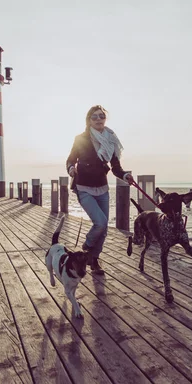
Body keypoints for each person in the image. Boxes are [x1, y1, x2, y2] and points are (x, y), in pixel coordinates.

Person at [66, 105, 134, 274]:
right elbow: (70, 160)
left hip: (102, 188)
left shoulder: (110, 140)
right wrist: (71, 169)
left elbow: (116, 168)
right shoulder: (81, 138)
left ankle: (94, 260)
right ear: (89, 120)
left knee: (103, 230)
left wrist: (125, 176)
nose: (98, 119)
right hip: (83, 187)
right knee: (101, 223)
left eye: (101, 116)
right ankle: (87, 245)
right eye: (94, 116)